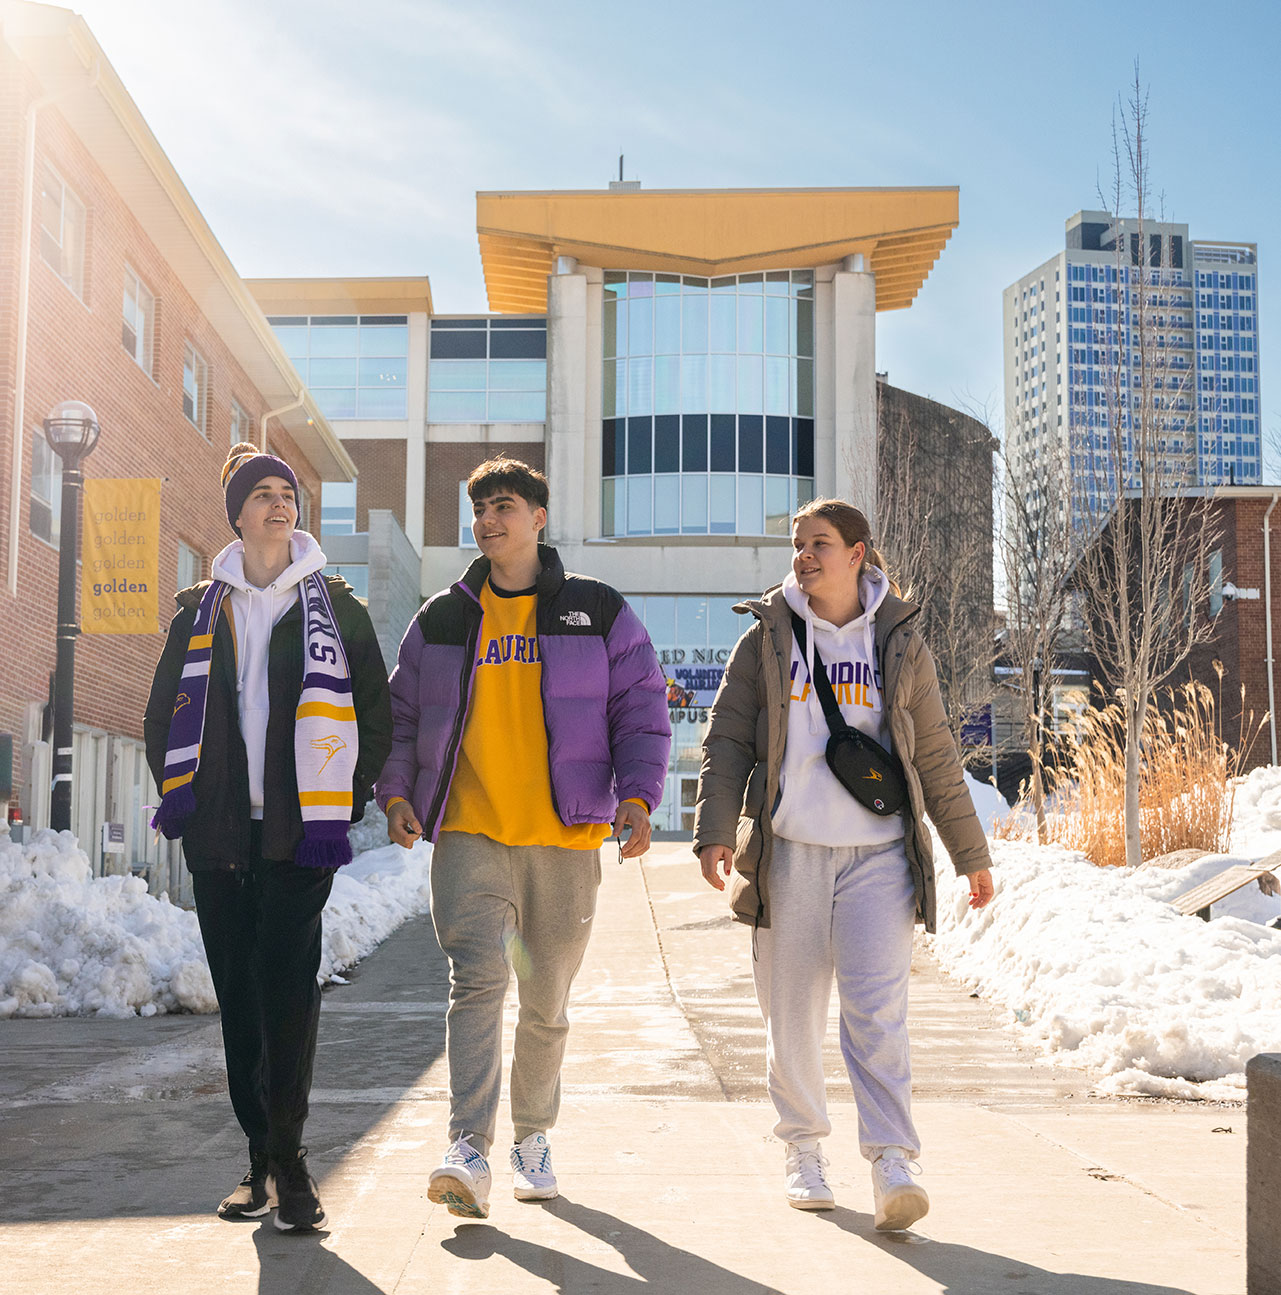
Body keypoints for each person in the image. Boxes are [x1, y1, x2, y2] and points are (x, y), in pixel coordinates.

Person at [377, 457, 670, 1219]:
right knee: (477, 979)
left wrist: (637, 797)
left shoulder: (595, 610)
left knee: (546, 999)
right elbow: (402, 717)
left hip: (563, 837)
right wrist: (397, 790)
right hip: (471, 831)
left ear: (538, 516)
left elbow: (640, 709)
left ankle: (531, 1134)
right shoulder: (442, 617)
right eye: (478, 509)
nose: (487, 521)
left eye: (503, 506)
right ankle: (467, 1144)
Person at [693, 498, 994, 1231]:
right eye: (797, 544)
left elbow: (933, 755)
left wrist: (969, 853)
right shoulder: (766, 637)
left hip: (877, 858)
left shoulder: (897, 638)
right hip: (790, 851)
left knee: (876, 1012)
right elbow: (727, 741)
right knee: (790, 1013)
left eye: (818, 543)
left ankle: (892, 1158)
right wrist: (712, 831)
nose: (803, 555)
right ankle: (802, 1149)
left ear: (857, 553)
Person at [145, 442, 391, 1232]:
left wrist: (340, 803)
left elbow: (373, 718)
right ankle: (261, 1157)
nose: (280, 502)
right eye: (263, 493)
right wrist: (186, 796)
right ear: (238, 513)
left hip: (296, 838)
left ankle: (289, 1161)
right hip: (218, 837)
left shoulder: (337, 610)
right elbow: (161, 722)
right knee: (240, 1003)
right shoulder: (198, 612)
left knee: (288, 996)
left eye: (288, 492)